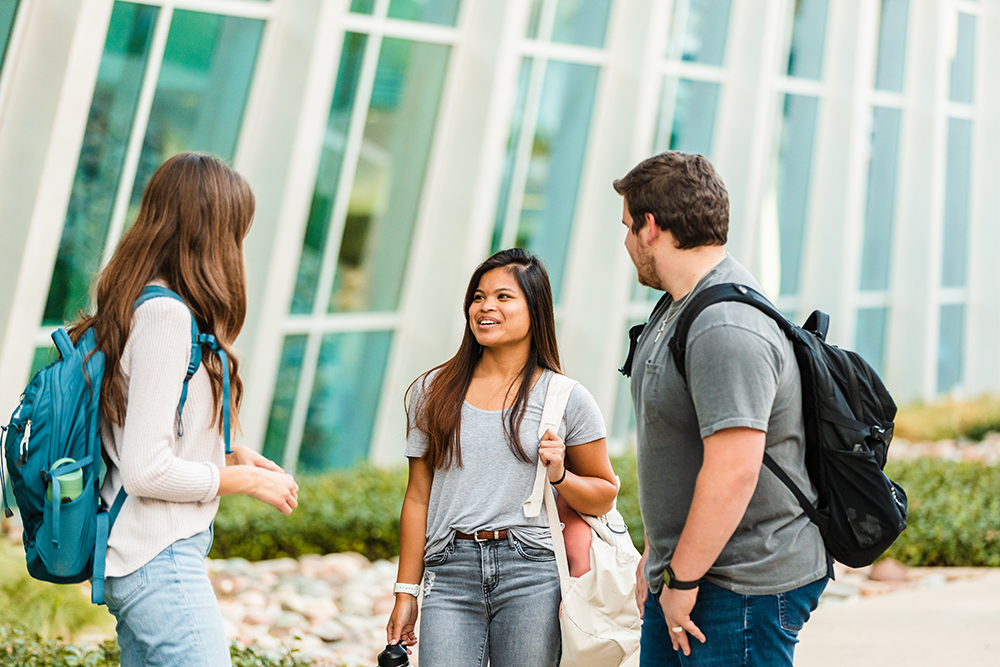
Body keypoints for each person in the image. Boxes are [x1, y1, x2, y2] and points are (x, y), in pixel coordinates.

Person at [69, 152, 300, 666]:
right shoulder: (165, 317)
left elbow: (145, 425)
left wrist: (234, 452)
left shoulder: (146, 304)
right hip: (157, 557)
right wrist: (243, 482)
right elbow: (146, 468)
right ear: (213, 234)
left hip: (151, 556)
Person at [613, 152, 828, 666]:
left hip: (738, 587)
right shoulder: (678, 305)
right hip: (692, 573)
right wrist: (659, 559)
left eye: (626, 227)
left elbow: (734, 470)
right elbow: (680, 447)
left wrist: (683, 579)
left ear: (650, 227)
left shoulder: (724, 324)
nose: (624, 244)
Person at [385, 248, 619, 667]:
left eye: (503, 296)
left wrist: (561, 475)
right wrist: (407, 591)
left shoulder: (566, 398)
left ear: (536, 309)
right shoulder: (432, 392)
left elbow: (604, 495)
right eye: (478, 296)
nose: (486, 306)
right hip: (448, 573)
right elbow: (418, 497)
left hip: (532, 573)